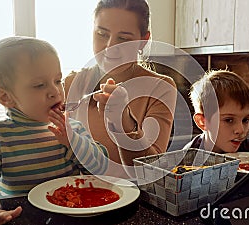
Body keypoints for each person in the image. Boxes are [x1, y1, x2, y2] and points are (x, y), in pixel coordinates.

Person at [0, 36, 108, 225]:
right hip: (20, 218)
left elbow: (101, 168)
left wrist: (72, 141)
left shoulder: (72, 129)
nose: (55, 91)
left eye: (57, 80)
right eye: (39, 85)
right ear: (5, 97)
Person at [64, 0, 177, 176]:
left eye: (123, 39)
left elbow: (149, 171)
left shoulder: (160, 87)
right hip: (76, 195)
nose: (110, 47)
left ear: (143, 41)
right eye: (102, 34)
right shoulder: (72, 82)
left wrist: (124, 123)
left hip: (132, 198)